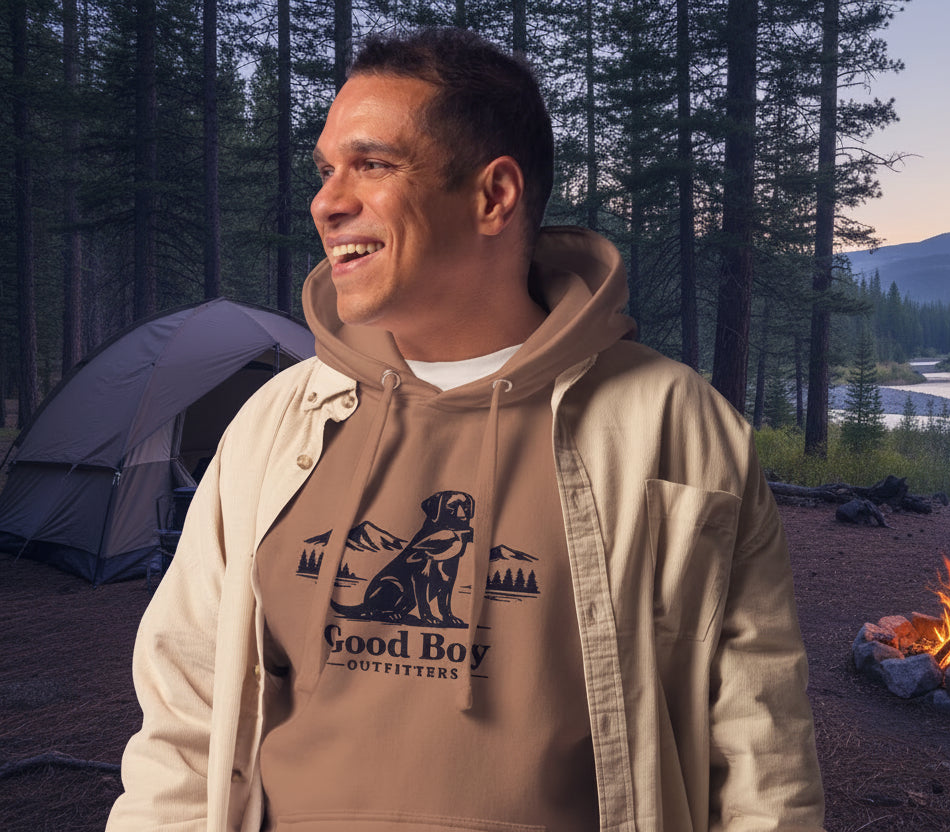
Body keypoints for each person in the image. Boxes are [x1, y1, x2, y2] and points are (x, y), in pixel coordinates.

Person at [108, 27, 824, 832]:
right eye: (326, 169)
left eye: (372, 165)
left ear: (493, 196)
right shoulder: (276, 425)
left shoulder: (679, 429)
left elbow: (764, 761)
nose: (325, 201)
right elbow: (183, 724)